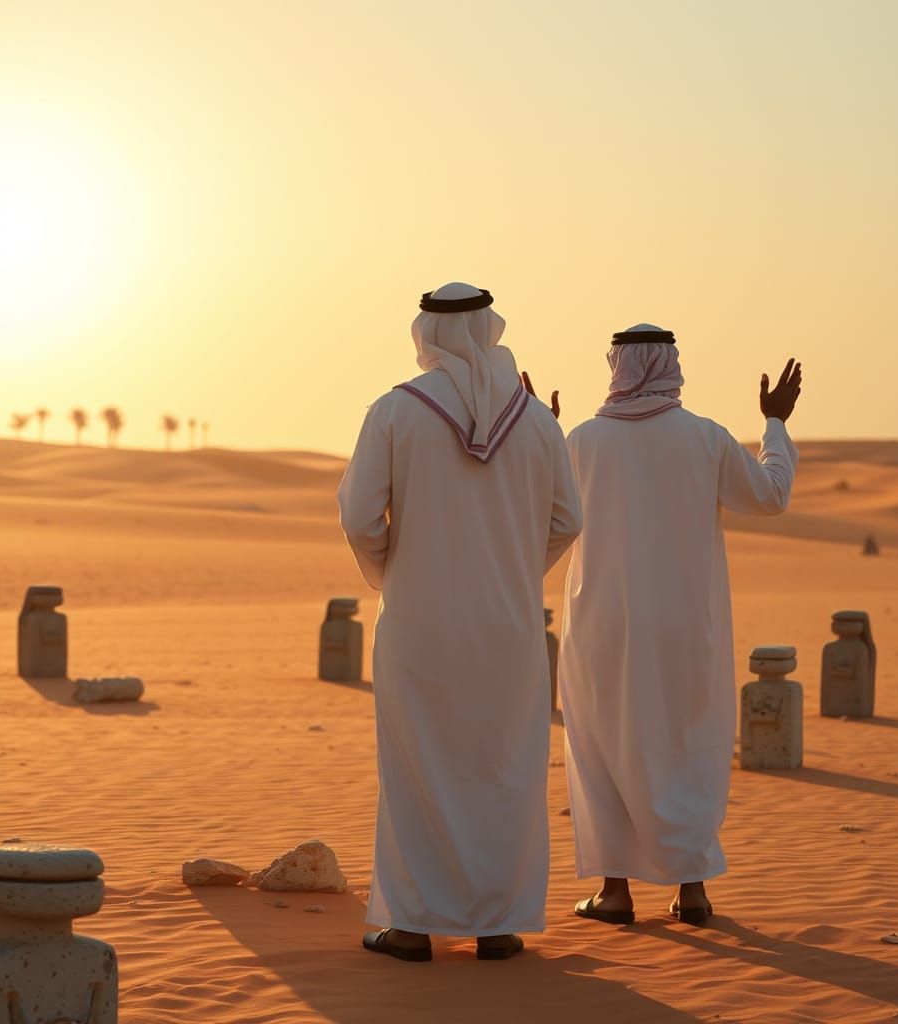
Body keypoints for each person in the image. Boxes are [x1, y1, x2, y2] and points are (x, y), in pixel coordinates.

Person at [338, 282, 582, 962]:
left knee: (418, 766)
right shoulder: (537, 422)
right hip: (510, 628)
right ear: (490, 328)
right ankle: (496, 925)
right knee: (501, 767)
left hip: (419, 626)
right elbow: (569, 519)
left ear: (426, 332)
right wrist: (512, 569)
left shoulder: (396, 410)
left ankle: (412, 925)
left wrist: (394, 571)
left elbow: (358, 516)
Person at [559, 323, 801, 925]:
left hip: (603, 628)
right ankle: (692, 889)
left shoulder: (580, 441)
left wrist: (537, 432)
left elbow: (538, 508)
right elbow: (771, 495)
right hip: (688, 627)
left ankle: (615, 892)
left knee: (604, 744)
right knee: (688, 742)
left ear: (617, 365)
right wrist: (775, 422)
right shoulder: (705, 437)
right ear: (671, 365)